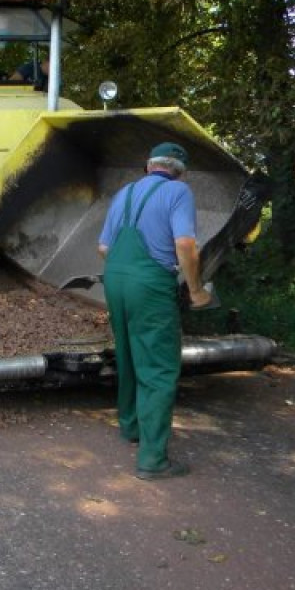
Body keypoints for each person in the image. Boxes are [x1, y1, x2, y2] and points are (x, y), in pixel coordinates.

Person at [97, 142, 212, 481]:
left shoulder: (125, 193)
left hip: (115, 279)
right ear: (180, 171)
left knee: (129, 353)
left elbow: (103, 247)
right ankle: (152, 460)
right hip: (150, 284)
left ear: (149, 167)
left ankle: (131, 427)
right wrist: (195, 289)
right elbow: (185, 244)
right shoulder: (179, 192)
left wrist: (127, 271)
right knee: (159, 367)